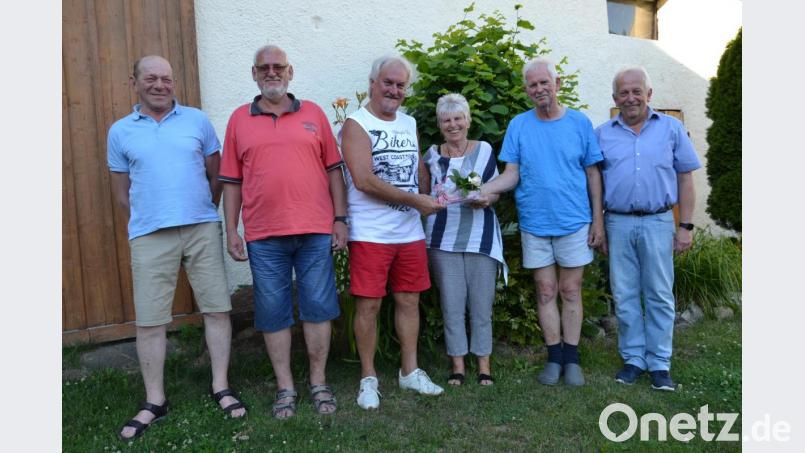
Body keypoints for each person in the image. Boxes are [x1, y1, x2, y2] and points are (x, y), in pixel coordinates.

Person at [107, 55, 246, 441]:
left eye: (166, 78)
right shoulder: (120, 131)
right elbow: (121, 192)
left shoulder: (197, 121)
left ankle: (221, 386)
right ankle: (155, 400)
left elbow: (216, 173)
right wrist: (145, 219)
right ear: (134, 82)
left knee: (217, 310)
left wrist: (204, 209)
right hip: (150, 235)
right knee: (151, 320)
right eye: (150, 78)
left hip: (201, 226)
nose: (160, 85)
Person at [219, 45, 347, 418]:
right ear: (254, 74)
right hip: (264, 235)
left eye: (279, 67)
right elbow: (231, 181)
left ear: (290, 72)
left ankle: (319, 382)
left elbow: (334, 171)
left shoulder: (314, 114)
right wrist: (231, 230)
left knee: (318, 309)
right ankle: (285, 387)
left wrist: (340, 219)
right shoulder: (239, 120)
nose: (272, 72)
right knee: (273, 313)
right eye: (264, 68)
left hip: (314, 231)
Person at [480, 57, 605, 387]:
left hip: (575, 221)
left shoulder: (579, 123)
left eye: (543, 82)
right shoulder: (519, 125)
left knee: (570, 289)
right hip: (535, 223)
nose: (538, 89)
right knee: (546, 290)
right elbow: (510, 175)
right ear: (526, 90)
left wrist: (598, 221)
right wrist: (482, 189)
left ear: (557, 83)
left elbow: (593, 173)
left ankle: (572, 359)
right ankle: (554, 357)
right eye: (532, 85)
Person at [341, 54, 446, 410]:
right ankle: (368, 378)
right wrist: (416, 200)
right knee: (369, 305)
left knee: (408, 300)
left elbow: (417, 168)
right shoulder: (356, 124)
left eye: (401, 85)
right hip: (371, 232)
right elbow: (363, 179)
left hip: (408, 232)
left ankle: (409, 371)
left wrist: (434, 192)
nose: (394, 90)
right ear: (373, 83)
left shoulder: (408, 122)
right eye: (388, 82)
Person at [595, 67, 701, 391]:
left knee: (658, 294)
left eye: (636, 91)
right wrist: (598, 224)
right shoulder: (602, 134)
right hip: (618, 222)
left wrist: (685, 226)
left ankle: (659, 363)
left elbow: (685, 179)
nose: (630, 98)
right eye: (623, 93)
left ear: (649, 94)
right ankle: (633, 359)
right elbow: (595, 182)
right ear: (615, 98)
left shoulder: (671, 129)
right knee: (625, 293)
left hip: (658, 221)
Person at [420, 93, 506, 386]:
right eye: (447, 120)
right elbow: (423, 193)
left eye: (458, 118)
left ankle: (484, 365)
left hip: (480, 237)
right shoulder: (430, 155)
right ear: (440, 124)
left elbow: (495, 188)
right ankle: (457, 365)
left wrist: (486, 198)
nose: (453, 125)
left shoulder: (484, 150)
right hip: (442, 239)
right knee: (451, 304)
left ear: (468, 121)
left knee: (482, 304)